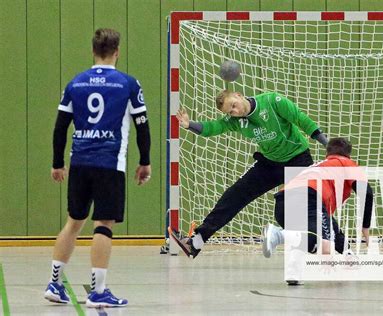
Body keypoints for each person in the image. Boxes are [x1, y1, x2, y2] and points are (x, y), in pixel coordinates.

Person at [43, 28, 152, 308]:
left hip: (79, 162)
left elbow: (59, 127)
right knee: (103, 224)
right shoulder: (128, 84)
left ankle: (54, 283)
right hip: (109, 163)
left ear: (93, 51)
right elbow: (142, 126)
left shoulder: (76, 83)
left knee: (73, 222)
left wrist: (57, 162)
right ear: (117, 52)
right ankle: (98, 291)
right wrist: (145, 161)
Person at [169, 90, 328, 258]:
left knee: (289, 212)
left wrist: (326, 144)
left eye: (234, 106)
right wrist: (189, 125)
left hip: (298, 161)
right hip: (270, 163)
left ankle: (329, 245)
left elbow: (301, 119)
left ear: (238, 95)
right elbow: (213, 127)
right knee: (234, 195)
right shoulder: (236, 121)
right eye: (230, 112)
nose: (235, 112)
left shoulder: (273, 101)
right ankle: (196, 242)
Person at [262, 138, 373, 284]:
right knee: (322, 246)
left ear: (327, 153)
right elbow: (367, 193)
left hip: (283, 201)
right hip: (309, 198)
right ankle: (278, 235)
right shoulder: (346, 163)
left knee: (304, 235)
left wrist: (348, 253)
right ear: (348, 155)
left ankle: (293, 274)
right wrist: (365, 226)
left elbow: (332, 228)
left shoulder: (318, 167)